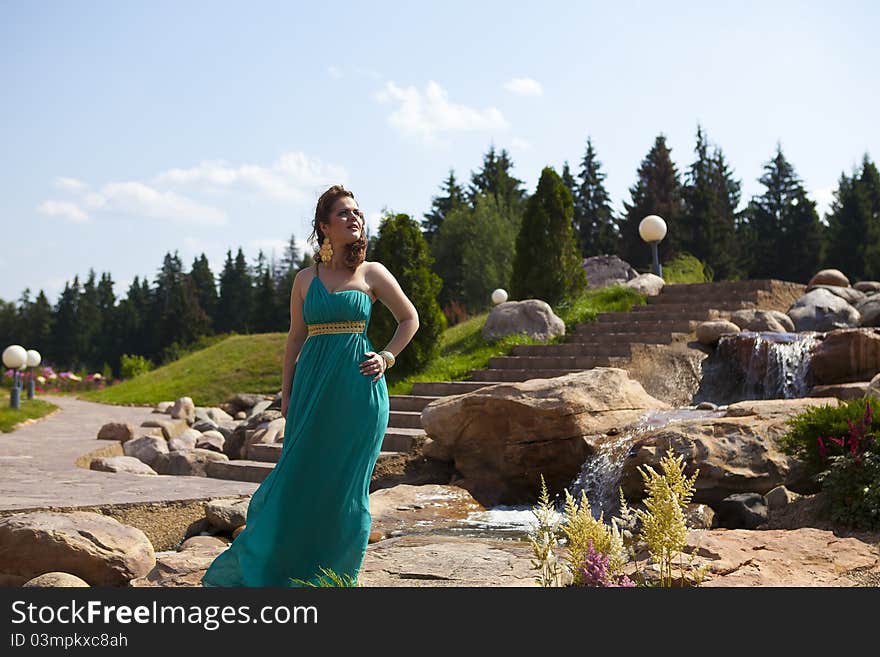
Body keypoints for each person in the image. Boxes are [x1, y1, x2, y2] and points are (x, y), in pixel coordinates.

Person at [201, 184, 420, 587]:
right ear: (324, 226)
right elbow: (295, 339)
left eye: (357, 213)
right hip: (312, 391)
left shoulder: (372, 272)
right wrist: (287, 394)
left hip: (359, 394)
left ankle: (336, 578)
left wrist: (387, 357)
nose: (355, 218)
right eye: (344, 213)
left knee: (346, 487)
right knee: (299, 479)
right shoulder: (305, 279)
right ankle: (284, 569)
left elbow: (410, 319)